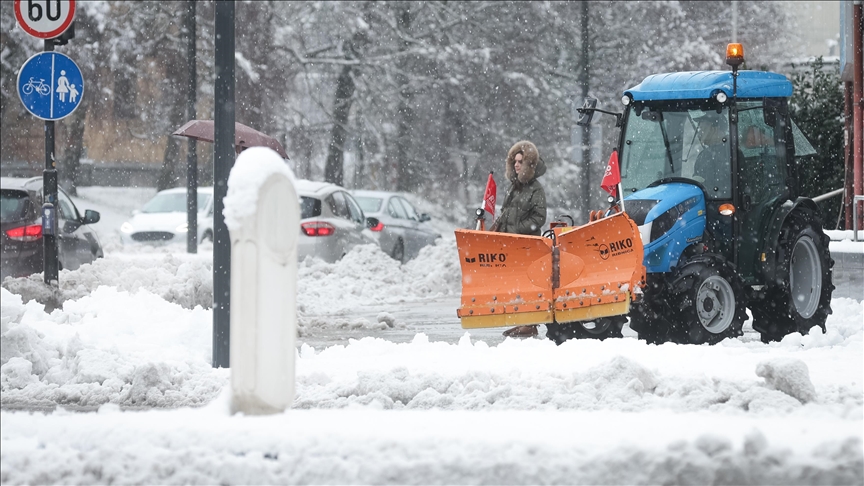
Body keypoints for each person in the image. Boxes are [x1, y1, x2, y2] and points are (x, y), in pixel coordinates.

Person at [490, 140, 547, 338]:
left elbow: (539, 218)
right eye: (514, 161)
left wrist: (517, 230)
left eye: (520, 161)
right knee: (516, 284)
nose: (516, 164)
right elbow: (507, 211)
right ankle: (521, 320)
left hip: (527, 245)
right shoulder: (514, 187)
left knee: (528, 283)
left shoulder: (536, 189)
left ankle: (530, 324)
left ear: (529, 164)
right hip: (511, 244)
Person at [692, 114, 731, 197]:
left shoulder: (731, 153)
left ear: (715, 129)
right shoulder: (702, 156)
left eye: (702, 128)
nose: (699, 132)